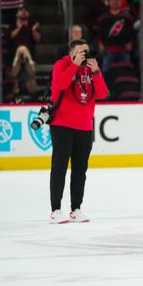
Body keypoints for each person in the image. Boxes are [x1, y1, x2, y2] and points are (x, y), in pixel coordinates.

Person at [48, 39, 108, 224]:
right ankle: (55, 210)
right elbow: (61, 84)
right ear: (72, 52)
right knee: (59, 167)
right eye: (81, 52)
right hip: (62, 124)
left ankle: (76, 209)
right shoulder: (62, 64)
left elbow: (103, 93)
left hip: (84, 126)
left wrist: (96, 71)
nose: (85, 55)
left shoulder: (90, 69)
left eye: (86, 52)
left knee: (80, 170)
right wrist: (74, 65)